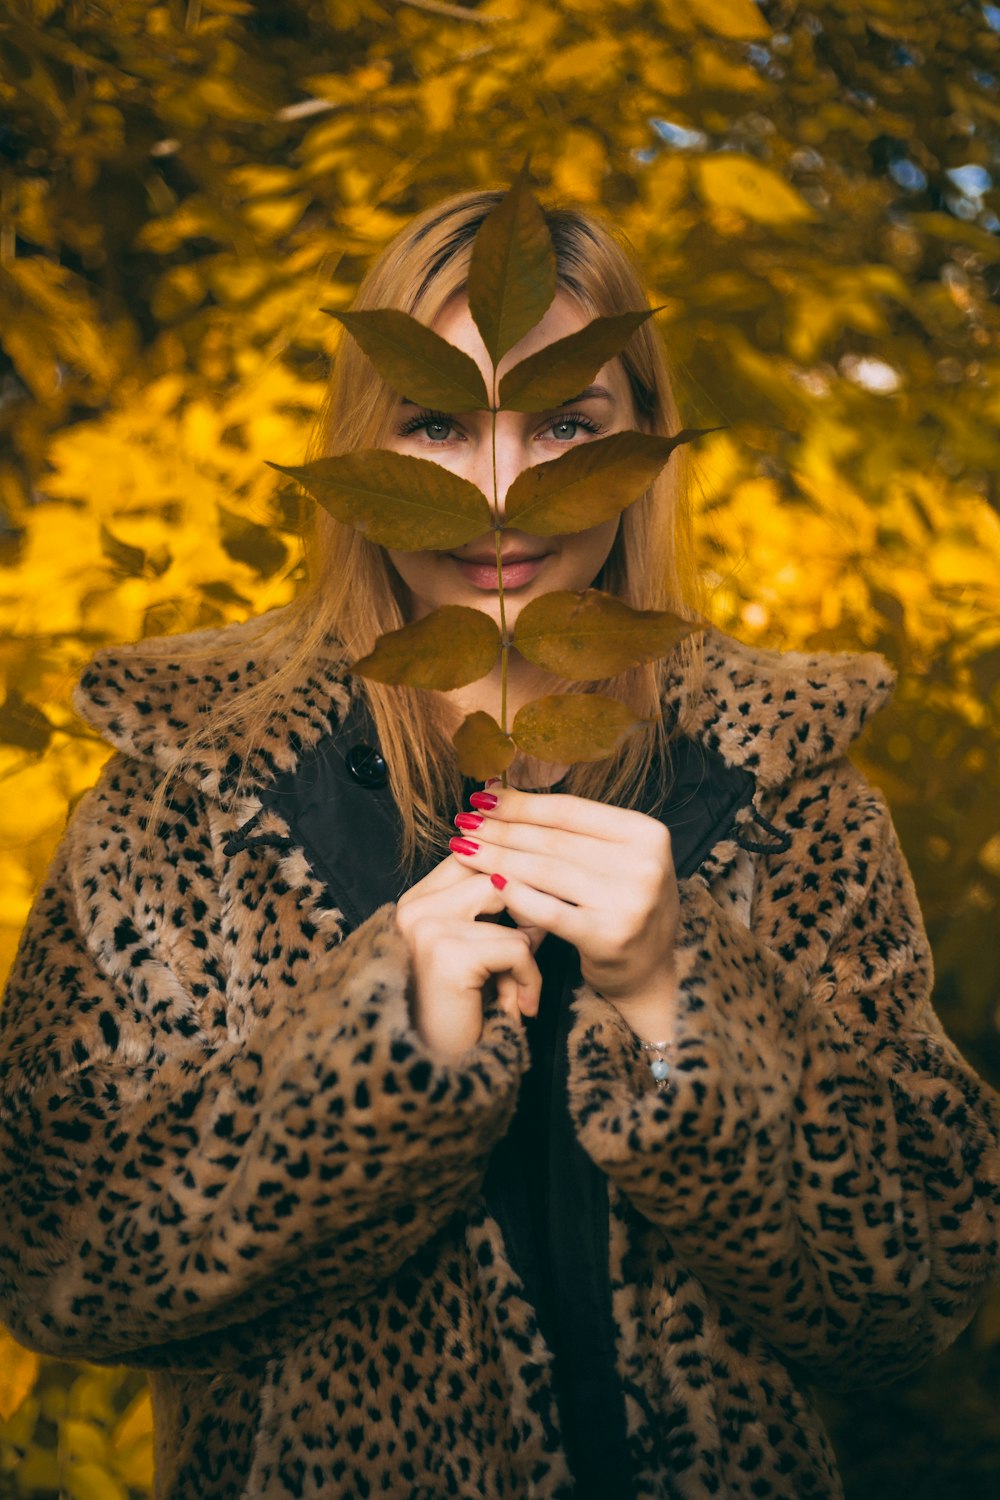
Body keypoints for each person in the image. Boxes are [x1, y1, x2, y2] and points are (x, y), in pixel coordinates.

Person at [1, 188, 998, 1500]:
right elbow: (59, 1261)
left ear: (641, 452)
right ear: (368, 443)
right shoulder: (196, 796)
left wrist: (678, 997)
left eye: (566, 425)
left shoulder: (777, 790)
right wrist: (371, 1044)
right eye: (435, 423)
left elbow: (913, 1289)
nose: (502, 490)